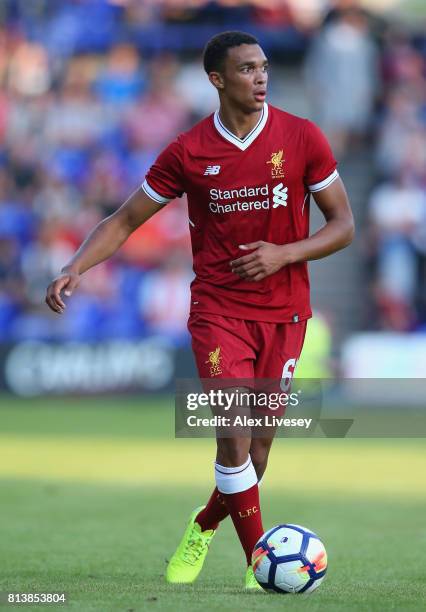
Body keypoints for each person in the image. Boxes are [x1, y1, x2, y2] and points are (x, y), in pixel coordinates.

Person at [45, 31, 354, 589]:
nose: (260, 77)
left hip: (284, 314)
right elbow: (122, 221)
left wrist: (285, 252)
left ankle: (206, 522)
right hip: (217, 311)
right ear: (217, 79)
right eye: (246, 69)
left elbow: (343, 225)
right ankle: (258, 564)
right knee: (231, 438)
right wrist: (75, 267)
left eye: (263, 67)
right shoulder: (188, 151)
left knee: (255, 457)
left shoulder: (302, 136)